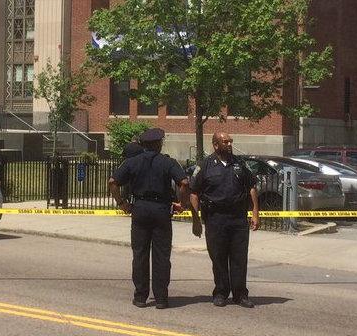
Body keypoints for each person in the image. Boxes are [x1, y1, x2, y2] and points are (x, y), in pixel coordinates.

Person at [108, 128, 189, 310]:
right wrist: (183, 204)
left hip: (140, 209)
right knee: (161, 256)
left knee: (140, 254)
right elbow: (184, 183)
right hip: (161, 210)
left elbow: (113, 182)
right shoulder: (167, 162)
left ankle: (140, 297)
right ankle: (161, 298)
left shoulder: (132, 162)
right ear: (158, 144)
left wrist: (121, 202)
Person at [189, 132, 260, 308]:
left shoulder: (240, 164)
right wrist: (196, 220)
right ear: (215, 145)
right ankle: (220, 292)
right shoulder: (205, 165)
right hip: (215, 218)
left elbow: (251, 187)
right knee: (218, 257)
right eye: (225, 141)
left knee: (239, 257)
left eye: (230, 141)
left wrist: (256, 212)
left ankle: (240, 294)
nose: (229, 144)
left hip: (238, 218)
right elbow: (194, 193)